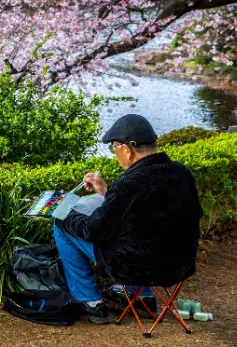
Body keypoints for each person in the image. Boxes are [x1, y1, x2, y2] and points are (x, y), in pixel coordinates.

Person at [53, 114, 203, 324]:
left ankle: (89, 301)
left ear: (126, 149)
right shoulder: (182, 173)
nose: (115, 153)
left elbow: (92, 230)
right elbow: (144, 210)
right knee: (141, 238)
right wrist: (106, 191)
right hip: (180, 265)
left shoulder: (129, 184)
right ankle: (142, 298)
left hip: (136, 268)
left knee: (62, 225)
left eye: (114, 147)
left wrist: (63, 212)